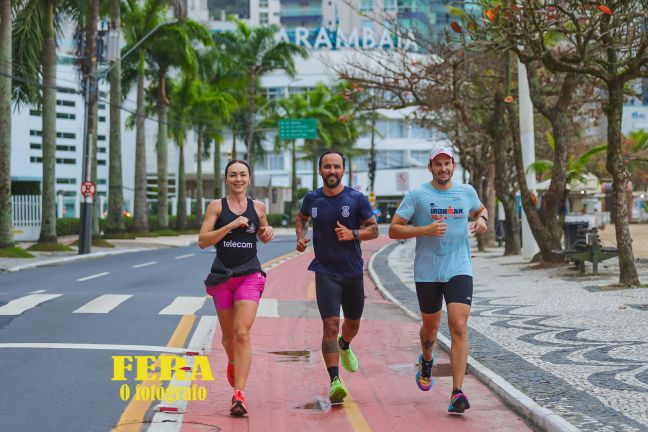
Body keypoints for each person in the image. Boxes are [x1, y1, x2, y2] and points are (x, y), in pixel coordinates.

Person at [388, 146, 488, 414]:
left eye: (448, 163)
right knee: (430, 331)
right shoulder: (418, 195)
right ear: (430, 167)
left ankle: (457, 392)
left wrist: (483, 220)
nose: (443, 168)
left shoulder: (466, 192)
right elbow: (393, 230)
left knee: (459, 324)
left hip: (459, 266)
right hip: (428, 271)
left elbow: (481, 210)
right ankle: (427, 359)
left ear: (453, 166)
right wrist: (424, 230)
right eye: (438, 164)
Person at [295, 150, 378, 404]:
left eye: (337, 167)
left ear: (344, 170)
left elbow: (373, 230)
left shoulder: (356, 198)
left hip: (352, 272)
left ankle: (345, 344)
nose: (332, 171)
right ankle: (335, 380)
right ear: (320, 170)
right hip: (325, 271)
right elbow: (301, 218)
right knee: (329, 325)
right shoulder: (312, 199)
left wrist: (353, 234)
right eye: (327, 167)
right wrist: (300, 237)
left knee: (351, 325)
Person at [198, 159, 275, 416]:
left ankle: (239, 394)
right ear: (226, 179)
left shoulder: (259, 207)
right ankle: (232, 360)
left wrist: (267, 233)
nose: (238, 179)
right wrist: (230, 225)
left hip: (249, 275)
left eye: (242, 174)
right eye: (233, 175)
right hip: (222, 277)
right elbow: (202, 241)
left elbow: (263, 234)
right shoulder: (216, 207)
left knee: (242, 332)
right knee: (228, 337)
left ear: (249, 179)